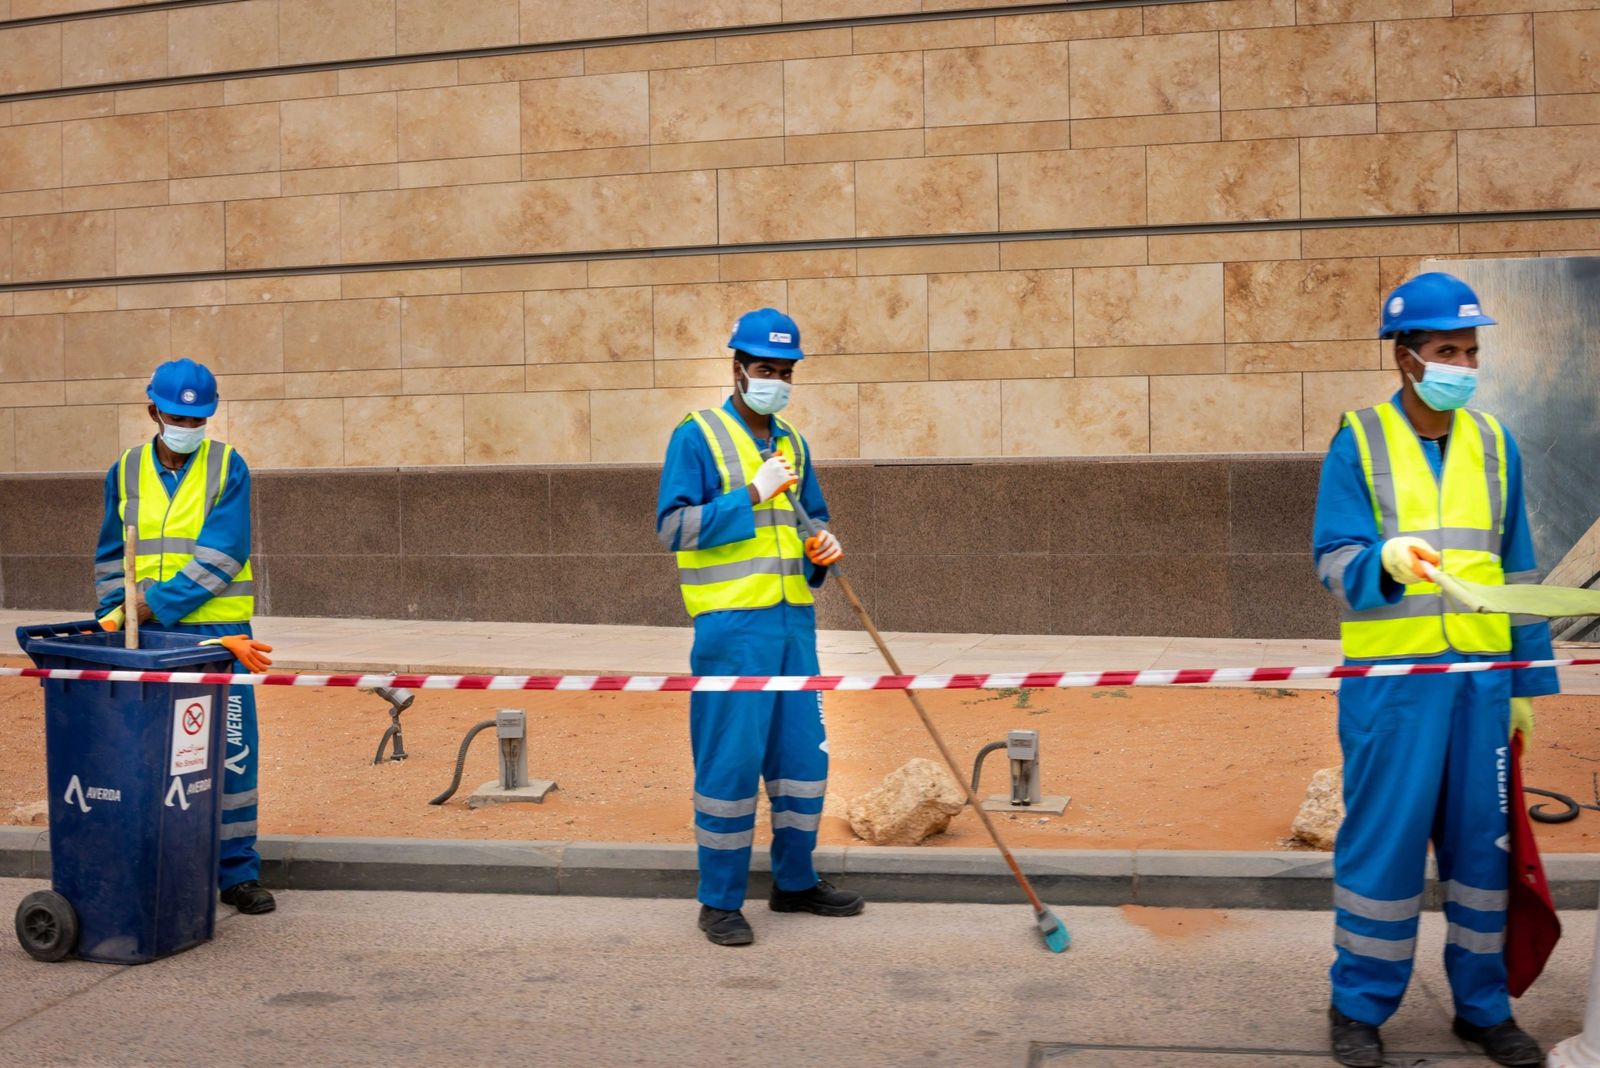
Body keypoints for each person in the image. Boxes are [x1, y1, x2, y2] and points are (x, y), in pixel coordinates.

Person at [1313, 273, 1559, 1067]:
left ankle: (1482, 1009)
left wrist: (1525, 685)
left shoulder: (1496, 445)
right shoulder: (1358, 439)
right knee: (1382, 850)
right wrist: (1382, 558)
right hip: (1395, 692)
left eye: (1472, 350)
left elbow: (1517, 571)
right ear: (1406, 357)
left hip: (1482, 688)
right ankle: (1358, 1007)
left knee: (1483, 854)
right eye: (1448, 349)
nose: (1464, 363)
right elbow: (1333, 560)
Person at [655, 308, 863, 946]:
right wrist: (749, 492)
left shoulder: (793, 443)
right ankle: (718, 900)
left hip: (794, 625)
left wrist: (822, 547)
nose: (777, 380)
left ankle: (794, 883)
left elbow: (810, 523)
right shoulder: (696, 436)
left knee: (803, 761)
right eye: (766, 369)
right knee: (731, 764)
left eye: (786, 371)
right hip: (732, 631)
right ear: (738, 369)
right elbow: (673, 529)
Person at [94, 358, 277, 916]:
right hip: (146, 639)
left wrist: (151, 605)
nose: (188, 427)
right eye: (177, 416)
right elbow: (109, 556)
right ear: (153, 410)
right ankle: (163, 860)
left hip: (220, 637)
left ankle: (236, 873)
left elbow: (224, 554)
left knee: (231, 756)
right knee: (154, 753)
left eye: (198, 419)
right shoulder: (124, 471)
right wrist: (112, 612)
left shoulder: (228, 467)